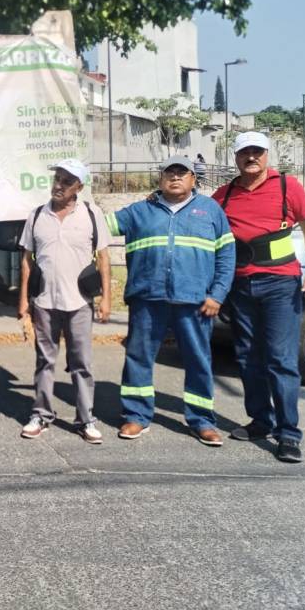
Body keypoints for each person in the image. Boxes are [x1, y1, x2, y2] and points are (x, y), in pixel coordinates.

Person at [107, 155, 235, 445]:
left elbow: (227, 256)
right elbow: (97, 226)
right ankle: (136, 417)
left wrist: (217, 295)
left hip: (196, 301)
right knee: (138, 357)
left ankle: (201, 420)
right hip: (147, 298)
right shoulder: (140, 211)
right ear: (160, 178)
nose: (175, 177)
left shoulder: (210, 210)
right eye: (169, 172)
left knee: (198, 360)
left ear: (193, 178)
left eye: (182, 172)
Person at [212, 131, 305, 463]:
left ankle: (288, 434)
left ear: (266, 155)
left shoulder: (288, 187)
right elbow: (199, 219)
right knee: (247, 357)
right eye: (245, 152)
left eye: (257, 152)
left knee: (280, 360)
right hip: (241, 287)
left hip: (280, 285)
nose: (252, 157)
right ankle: (261, 421)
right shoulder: (225, 194)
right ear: (235, 157)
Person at [18, 159, 112, 444]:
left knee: (82, 363)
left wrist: (106, 299)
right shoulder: (37, 215)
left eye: (66, 181)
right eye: (57, 179)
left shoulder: (92, 214)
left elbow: (104, 259)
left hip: (80, 302)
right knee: (44, 361)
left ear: (79, 187)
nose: (58, 185)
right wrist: (23, 300)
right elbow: (26, 261)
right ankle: (41, 415)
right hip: (45, 301)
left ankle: (86, 419)